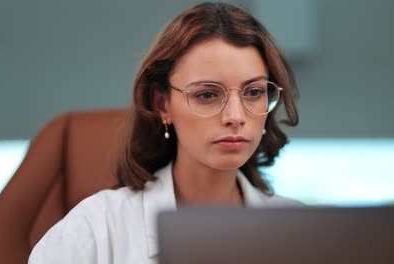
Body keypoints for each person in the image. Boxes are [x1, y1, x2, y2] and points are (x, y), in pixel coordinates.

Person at [29, 2, 300, 263]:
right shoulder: (93, 231)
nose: (235, 116)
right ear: (162, 104)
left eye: (254, 92)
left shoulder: (299, 230)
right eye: (206, 94)